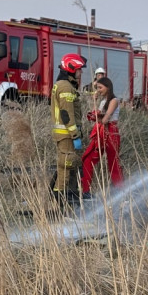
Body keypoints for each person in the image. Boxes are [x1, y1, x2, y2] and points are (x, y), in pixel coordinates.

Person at [51, 52, 87, 203]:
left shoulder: (63, 85)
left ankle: (71, 194)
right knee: (66, 165)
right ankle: (59, 198)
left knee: (70, 164)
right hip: (66, 134)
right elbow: (67, 114)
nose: (81, 72)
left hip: (65, 134)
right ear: (72, 69)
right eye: (79, 69)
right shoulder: (65, 87)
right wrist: (75, 134)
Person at [81, 76, 124, 197]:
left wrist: (96, 117)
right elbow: (96, 115)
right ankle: (86, 190)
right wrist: (93, 102)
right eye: (97, 88)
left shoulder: (114, 100)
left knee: (113, 163)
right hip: (101, 132)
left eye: (100, 87)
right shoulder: (103, 101)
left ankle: (120, 190)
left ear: (108, 87)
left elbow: (105, 119)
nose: (98, 90)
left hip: (110, 132)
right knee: (88, 159)